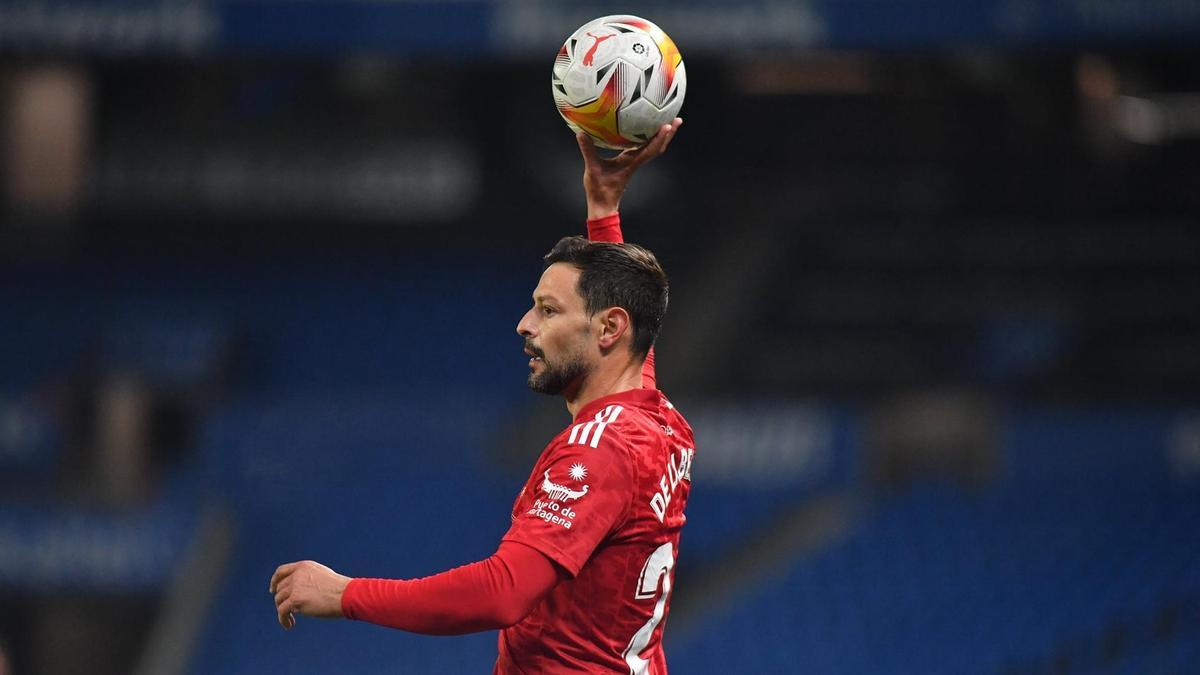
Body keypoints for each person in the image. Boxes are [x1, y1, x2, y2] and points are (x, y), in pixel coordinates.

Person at [270, 118, 693, 674]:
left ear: (609, 329)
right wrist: (603, 205)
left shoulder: (598, 451)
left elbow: (504, 592)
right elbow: (627, 326)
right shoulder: (660, 421)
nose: (523, 325)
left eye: (547, 310)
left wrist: (345, 593)